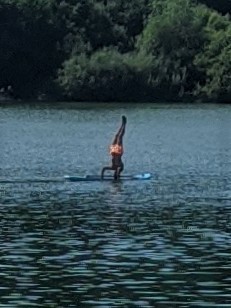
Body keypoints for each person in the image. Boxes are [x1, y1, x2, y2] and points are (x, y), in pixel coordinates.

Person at [101, 115, 127, 180]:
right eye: (116, 174)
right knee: (119, 136)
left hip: (113, 152)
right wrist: (102, 178)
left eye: (115, 174)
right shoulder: (120, 166)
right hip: (118, 152)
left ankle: (123, 124)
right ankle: (123, 124)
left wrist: (102, 177)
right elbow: (119, 169)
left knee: (117, 136)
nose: (115, 173)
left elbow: (104, 169)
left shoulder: (113, 167)